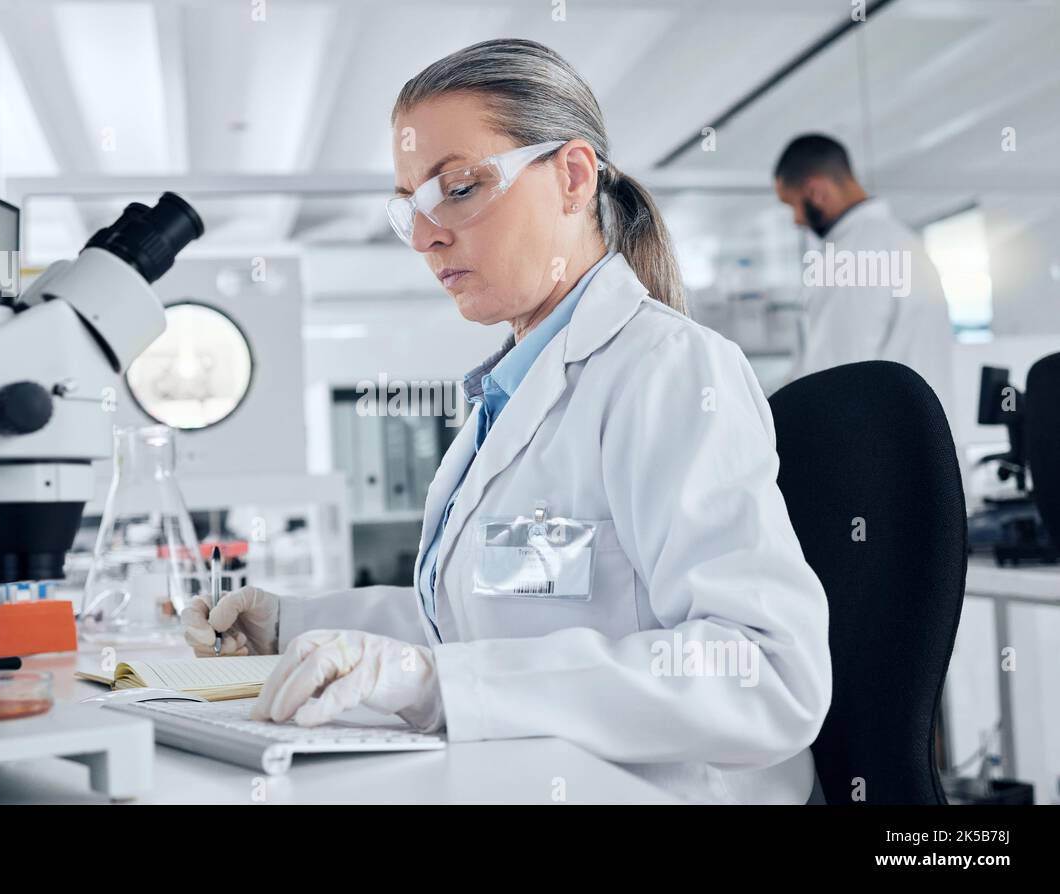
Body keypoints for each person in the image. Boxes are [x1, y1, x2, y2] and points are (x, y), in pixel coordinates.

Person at [185, 39, 831, 804]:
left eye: (458, 188)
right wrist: (294, 626)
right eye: (410, 208)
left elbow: (765, 675)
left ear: (572, 176)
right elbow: (475, 626)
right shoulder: (509, 396)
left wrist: (436, 684)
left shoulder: (669, 371)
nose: (426, 235)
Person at [773, 134, 954, 417]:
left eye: (792, 204)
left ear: (815, 191)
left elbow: (833, 376)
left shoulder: (850, 256)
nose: (796, 220)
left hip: (877, 447)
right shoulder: (902, 239)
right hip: (925, 439)